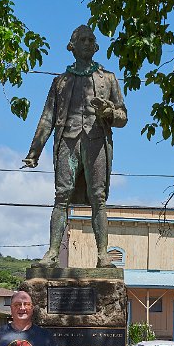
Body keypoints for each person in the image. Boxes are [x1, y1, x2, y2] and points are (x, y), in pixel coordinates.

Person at [23, 24, 128, 268]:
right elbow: (47, 117)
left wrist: (110, 111)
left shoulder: (108, 79)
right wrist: (33, 152)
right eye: (83, 39)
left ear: (96, 46)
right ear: (72, 46)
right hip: (68, 142)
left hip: (96, 142)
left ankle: (103, 255)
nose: (88, 43)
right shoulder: (61, 82)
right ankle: (51, 253)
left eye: (91, 39)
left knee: (98, 198)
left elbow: (123, 117)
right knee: (61, 197)